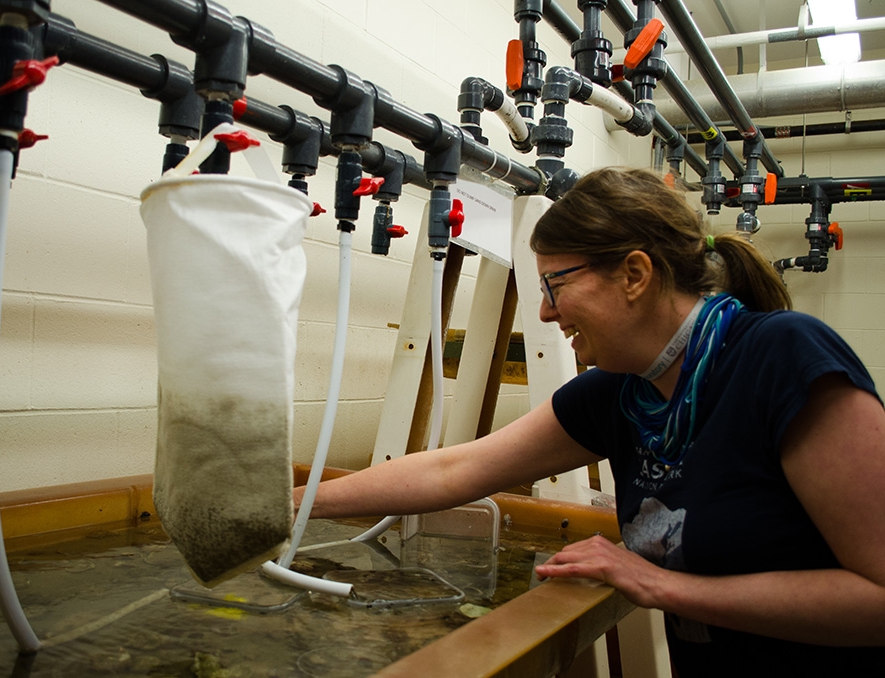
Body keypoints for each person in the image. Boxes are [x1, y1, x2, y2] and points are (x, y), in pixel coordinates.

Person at [294, 166, 885, 676]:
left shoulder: (784, 358)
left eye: (556, 284)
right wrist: (293, 503)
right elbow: (457, 468)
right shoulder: (620, 392)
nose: (546, 311)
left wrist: (661, 584)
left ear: (634, 274)